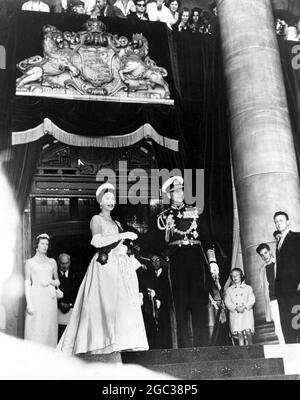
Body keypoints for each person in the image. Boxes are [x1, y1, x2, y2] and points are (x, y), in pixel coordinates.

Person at [57, 183, 148, 355]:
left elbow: (119, 245)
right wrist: (123, 235)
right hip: (104, 267)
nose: (110, 201)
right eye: (107, 198)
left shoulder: (116, 221)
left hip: (118, 266)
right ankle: (97, 346)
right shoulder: (96, 219)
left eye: (113, 198)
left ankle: (115, 345)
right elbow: (97, 242)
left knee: (119, 305)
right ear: (100, 201)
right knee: (103, 305)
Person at [157, 176, 217, 348]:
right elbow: (161, 244)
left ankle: (203, 347)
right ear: (169, 195)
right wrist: (162, 263)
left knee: (199, 303)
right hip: (177, 262)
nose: (179, 194)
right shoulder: (163, 217)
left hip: (196, 259)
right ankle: (184, 349)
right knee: (180, 305)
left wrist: (212, 262)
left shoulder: (195, 211)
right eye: (175, 191)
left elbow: (206, 239)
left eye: (181, 190)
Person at [24, 233, 60, 348]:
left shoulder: (52, 262)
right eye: (42, 244)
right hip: (36, 295)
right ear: (37, 245)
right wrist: (29, 303)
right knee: (35, 324)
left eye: (47, 244)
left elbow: (57, 281)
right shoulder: (29, 262)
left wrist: (50, 282)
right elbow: (27, 283)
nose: (45, 246)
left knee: (49, 325)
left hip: (49, 297)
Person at [273, 211, 300, 343]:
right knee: (285, 320)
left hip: (295, 288)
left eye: (281, 220)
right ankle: (290, 349)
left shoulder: (297, 237)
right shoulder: (278, 243)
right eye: (276, 221)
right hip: (282, 291)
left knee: (297, 319)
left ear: (288, 222)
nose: (278, 223)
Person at [256, 243, 285, 345]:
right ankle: (283, 349)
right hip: (272, 300)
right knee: (278, 325)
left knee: (288, 324)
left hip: (284, 298)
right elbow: (264, 287)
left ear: (270, 251)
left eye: (265, 253)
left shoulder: (280, 262)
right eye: (262, 255)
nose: (264, 256)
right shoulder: (262, 269)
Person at [224, 268, 255, 346]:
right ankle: (242, 352)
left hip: (246, 313)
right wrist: (235, 307)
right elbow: (227, 302)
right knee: (239, 334)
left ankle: (251, 350)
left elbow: (252, 299)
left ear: (241, 276)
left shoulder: (248, 288)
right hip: (236, 314)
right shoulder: (229, 290)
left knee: (248, 332)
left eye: (237, 275)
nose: (235, 277)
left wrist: (244, 306)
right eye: (233, 276)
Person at [57, 253, 80, 341]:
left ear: (69, 263)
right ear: (59, 262)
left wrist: (70, 304)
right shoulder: (54, 275)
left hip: (71, 309)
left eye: (66, 263)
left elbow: (78, 292)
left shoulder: (76, 275)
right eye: (62, 263)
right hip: (57, 309)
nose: (64, 265)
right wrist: (60, 304)